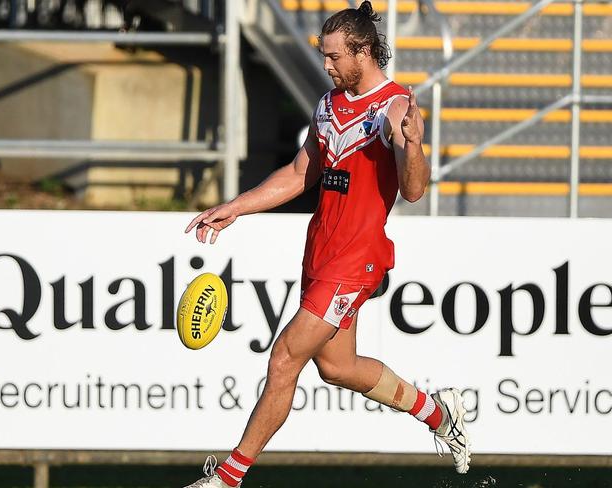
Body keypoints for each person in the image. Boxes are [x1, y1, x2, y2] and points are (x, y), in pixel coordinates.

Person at [183, 2, 471, 486]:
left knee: (284, 359)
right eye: (324, 56)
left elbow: (414, 190)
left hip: (356, 259)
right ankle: (440, 414)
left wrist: (415, 147)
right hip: (320, 251)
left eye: (335, 56)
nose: (327, 65)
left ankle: (228, 477)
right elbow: (300, 173)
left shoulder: (394, 108)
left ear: (363, 50)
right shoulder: (328, 105)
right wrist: (237, 206)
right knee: (337, 367)